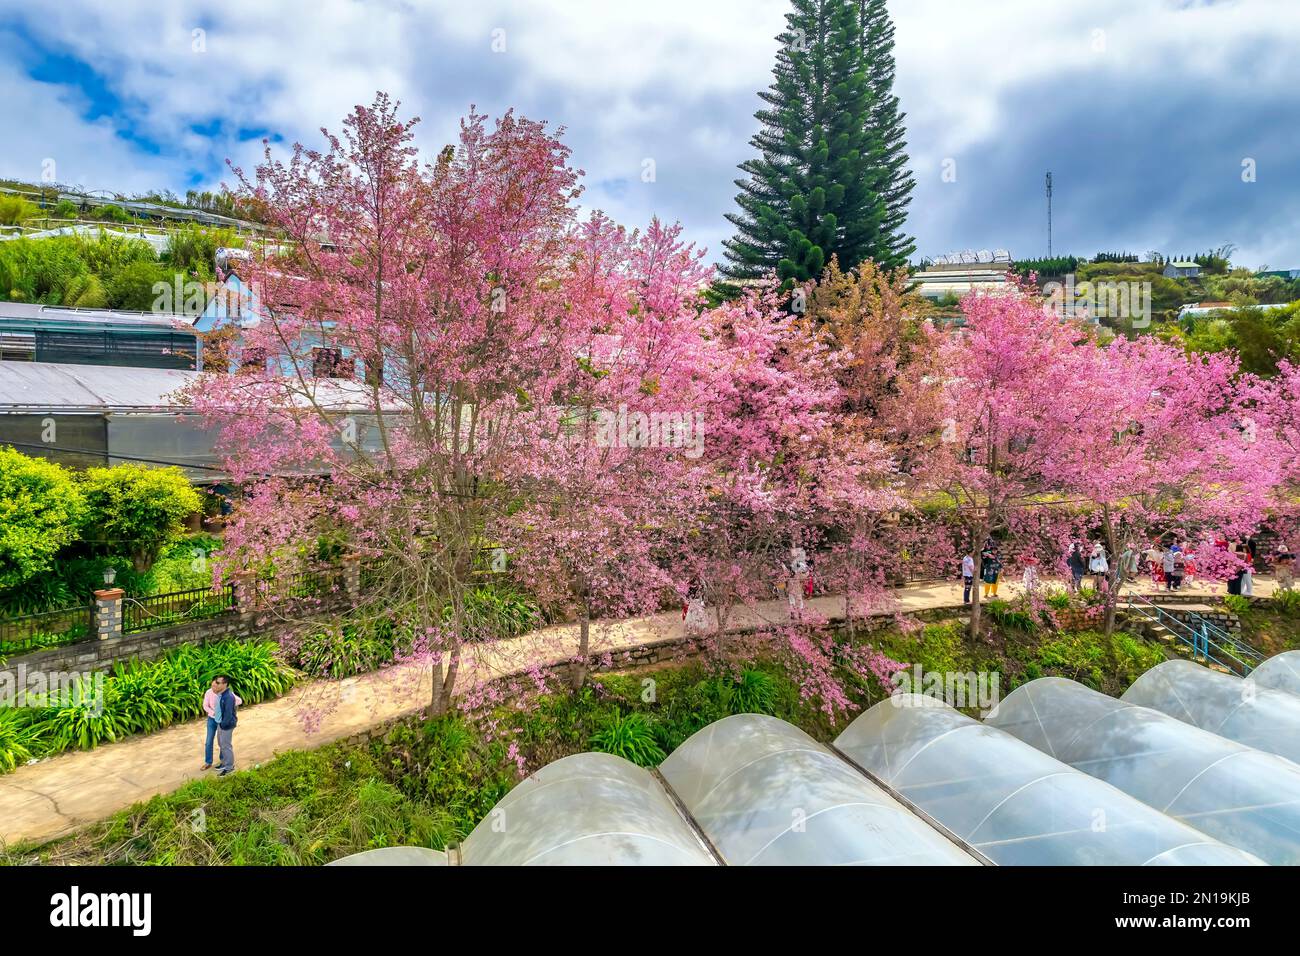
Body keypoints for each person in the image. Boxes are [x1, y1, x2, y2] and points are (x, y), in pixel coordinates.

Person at [202, 677, 242, 770]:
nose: (214, 687)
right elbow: (205, 705)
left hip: (222, 721)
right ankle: (208, 762)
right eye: (212, 685)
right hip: (212, 719)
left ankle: (224, 762)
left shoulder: (226, 695)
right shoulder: (209, 693)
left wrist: (229, 708)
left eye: (216, 685)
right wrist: (213, 713)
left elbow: (239, 701)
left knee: (223, 743)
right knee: (209, 741)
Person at [213, 675, 239, 777]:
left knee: (226, 746)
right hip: (221, 723)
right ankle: (224, 763)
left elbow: (228, 714)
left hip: (226, 725)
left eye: (218, 683)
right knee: (221, 744)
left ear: (225, 684)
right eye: (216, 682)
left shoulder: (228, 697)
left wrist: (223, 725)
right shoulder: (221, 694)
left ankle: (229, 767)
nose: (216, 684)